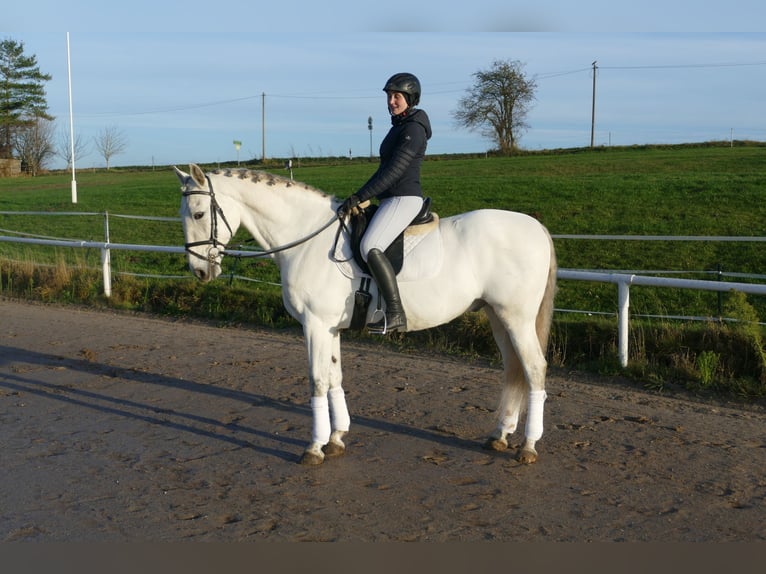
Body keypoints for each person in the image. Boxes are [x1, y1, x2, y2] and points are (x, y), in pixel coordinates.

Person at [338, 72, 432, 334]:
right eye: (389, 96)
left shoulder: (414, 129)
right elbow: (382, 173)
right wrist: (361, 194)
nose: (391, 101)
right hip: (391, 198)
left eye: (397, 96)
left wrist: (362, 196)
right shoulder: (400, 126)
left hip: (404, 198)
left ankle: (395, 313)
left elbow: (395, 171)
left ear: (410, 98)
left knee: (371, 245)